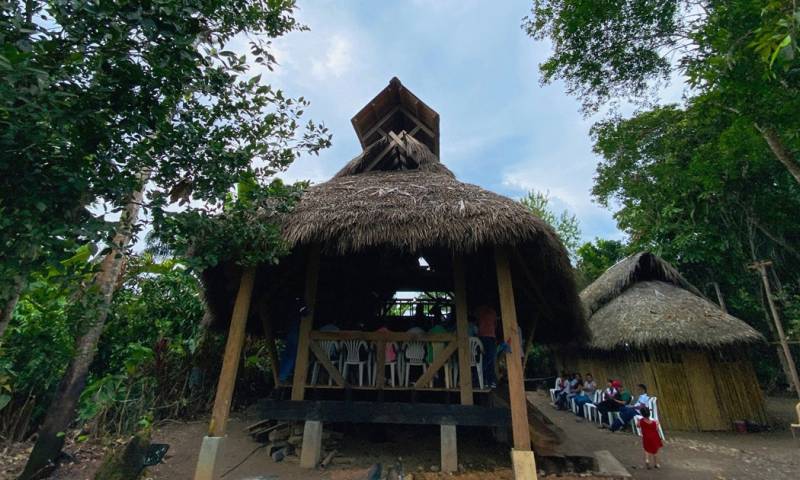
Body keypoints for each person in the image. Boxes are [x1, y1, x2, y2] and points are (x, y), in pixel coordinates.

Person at [475, 304, 498, 388]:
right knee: (488, 358)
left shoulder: (479, 311)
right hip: (488, 337)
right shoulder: (491, 312)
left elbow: (477, 323)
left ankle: (486, 380)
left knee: (486, 359)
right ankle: (483, 379)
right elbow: (495, 325)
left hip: (483, 337)